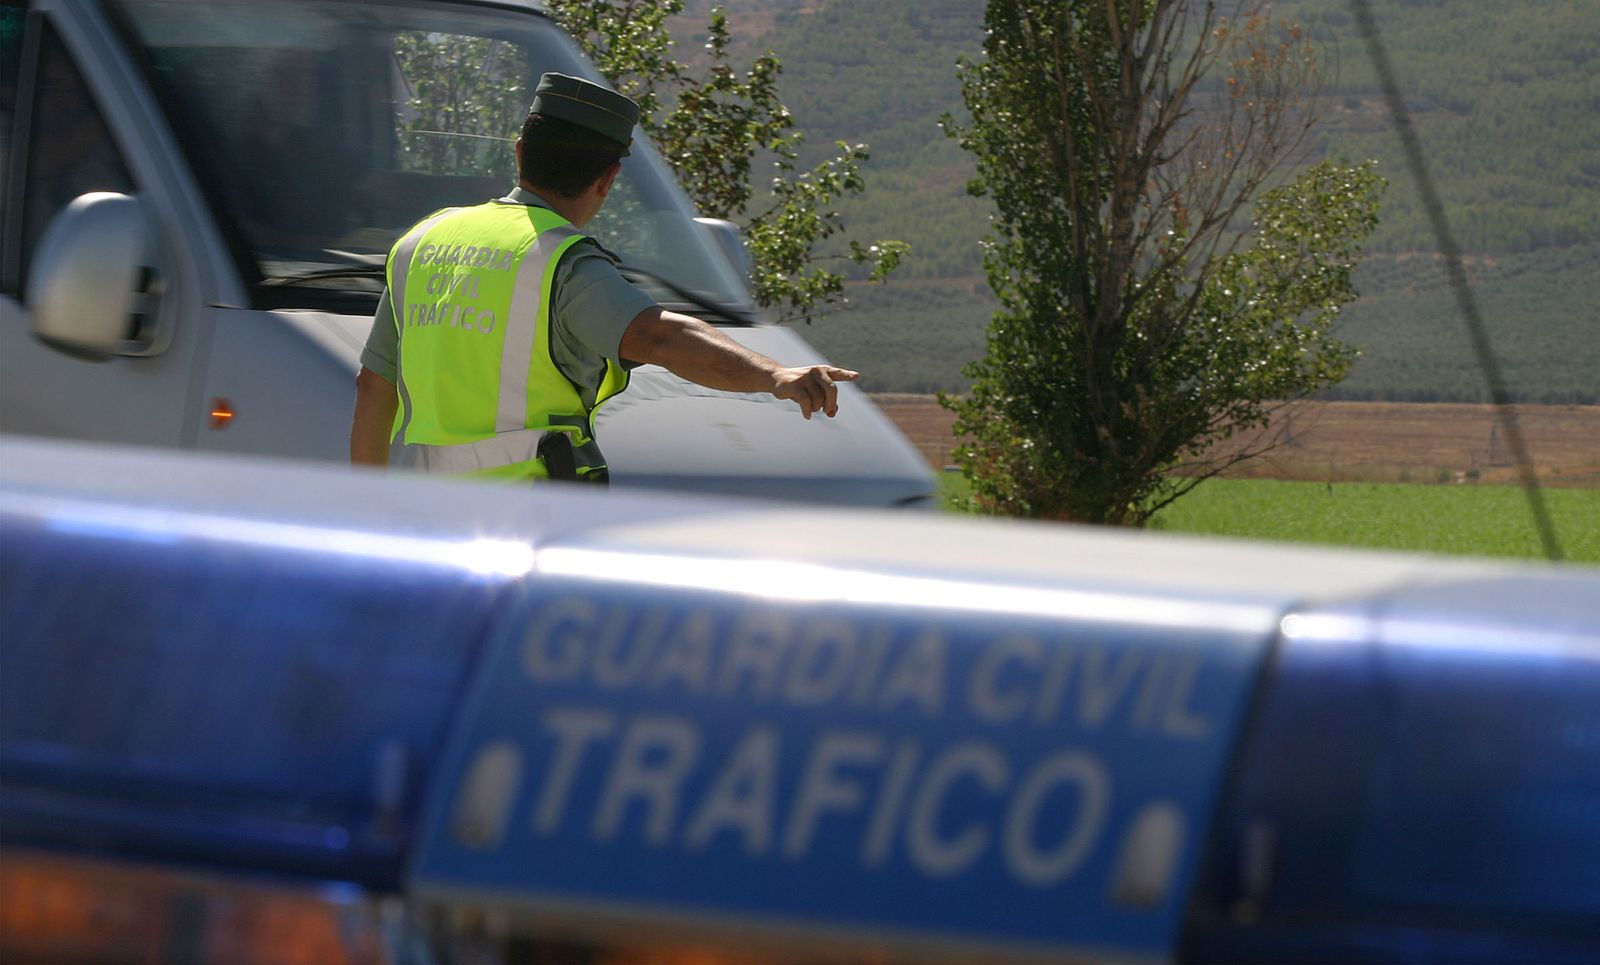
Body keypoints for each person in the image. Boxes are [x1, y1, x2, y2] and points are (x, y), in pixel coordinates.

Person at [350, 71, 857, 482]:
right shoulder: (560, 260)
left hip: (424, 524)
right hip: (528, 531)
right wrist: (775, 375)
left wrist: (369, 516)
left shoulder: (421, 243)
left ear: (520, 151)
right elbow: (660, 336)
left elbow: (375, 387)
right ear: (608, 179)